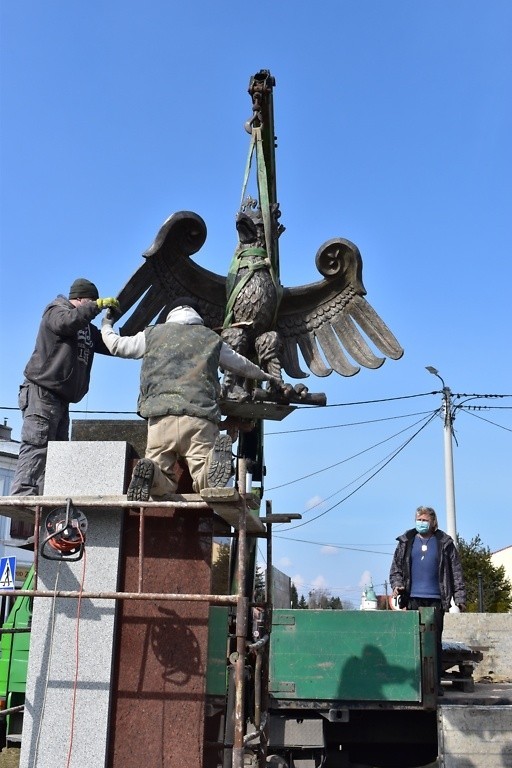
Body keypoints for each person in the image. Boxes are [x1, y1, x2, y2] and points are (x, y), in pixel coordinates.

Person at [101, 297, 280, 501]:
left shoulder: (151, 335)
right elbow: (241, 365)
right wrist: (266, 376)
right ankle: (213, 462)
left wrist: (107, 324)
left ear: (170, 314)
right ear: (198, 316)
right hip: (200, 420)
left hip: (161, 420)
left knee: (163, 478)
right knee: (205, 480)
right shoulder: (211, 339)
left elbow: (117, 346)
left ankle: (150, 472)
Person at [10, 279, 120, 496]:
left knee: (57, 454)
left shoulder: (85, 327)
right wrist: (96, 307)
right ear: (79, 299)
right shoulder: (56, 310)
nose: (94, 306)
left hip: (61, 398)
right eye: (91, 301)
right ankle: (23, 495)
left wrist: (112, 325)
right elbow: (65, 323)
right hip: (42, 392)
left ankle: (44, 499)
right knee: (38, 445)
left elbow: (110, 344)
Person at [389, 506, 467, 696]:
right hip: (413, 598)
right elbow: (396, 568)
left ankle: (435, 683)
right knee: (415, 642)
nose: (421, 523)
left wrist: (460, 597)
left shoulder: (444, 543)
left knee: (434, 643)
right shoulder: (406, 541)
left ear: (433, 522)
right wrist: (398, 585)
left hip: (436, 600)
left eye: (424, 520)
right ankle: (416, 682)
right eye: (418, 519)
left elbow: (456, 571)